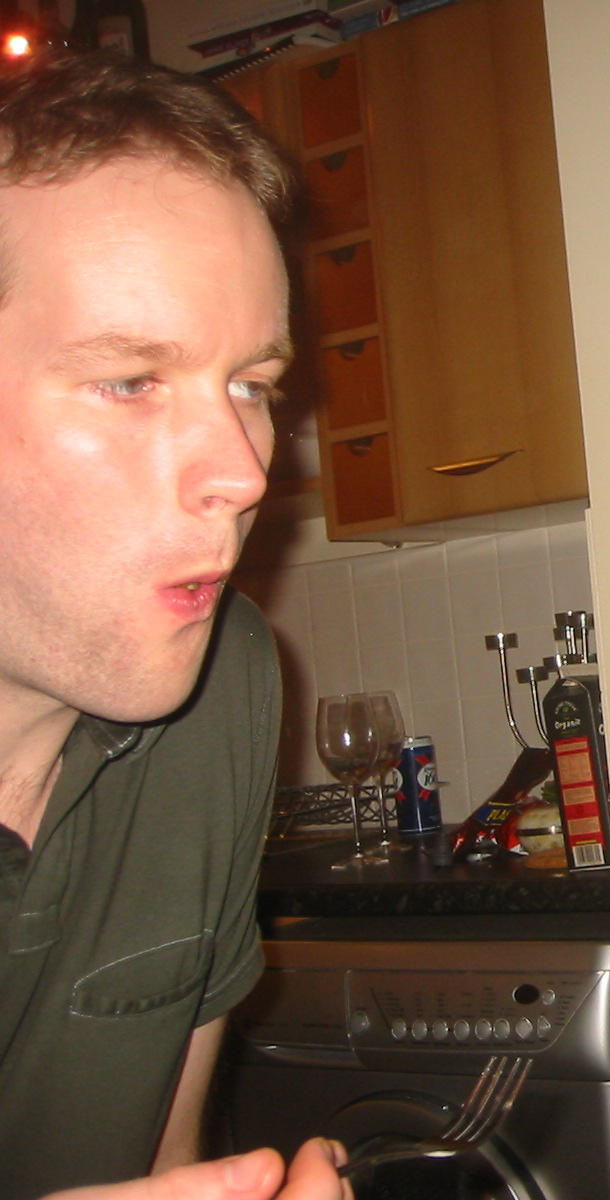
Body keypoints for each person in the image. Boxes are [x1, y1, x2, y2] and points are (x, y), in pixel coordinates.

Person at [0, 52, 346, 1200]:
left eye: (251, 385)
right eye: (132, 381)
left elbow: (165, 1165)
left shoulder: (219, 686)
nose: (244, 473)